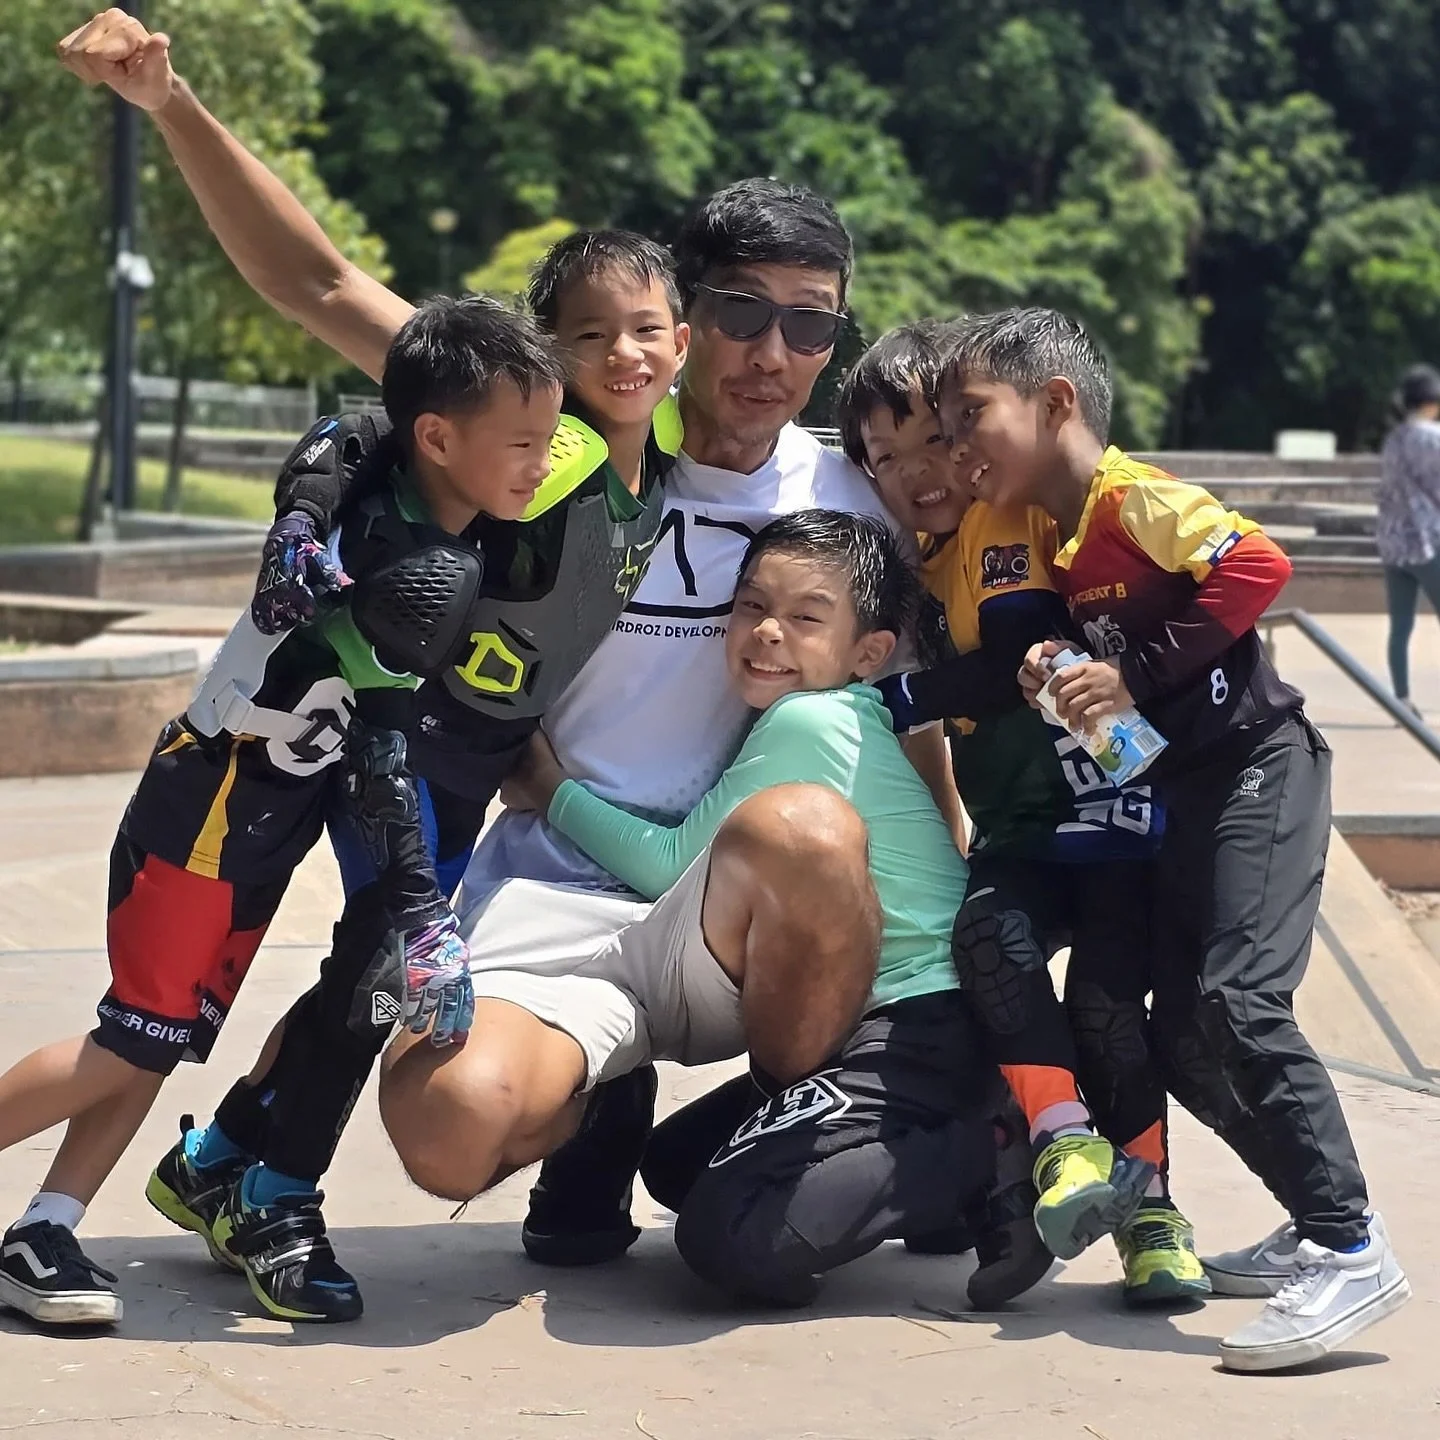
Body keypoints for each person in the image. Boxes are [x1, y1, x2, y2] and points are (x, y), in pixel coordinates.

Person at [56, 9, 964, 1289]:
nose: (774, 353)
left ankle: (764, 1144)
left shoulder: (852, 494)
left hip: (730, 891)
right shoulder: (538, 428)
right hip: (554, 884)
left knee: (810, 834)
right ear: (683, 319)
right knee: (443, 1119)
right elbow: (318, 284)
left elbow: (1005, 577)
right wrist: (171, 105)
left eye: (811, 327)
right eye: (740, 313)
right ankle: (564, 1108)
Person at [142, 227, 688, 1320]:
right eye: (589, 335)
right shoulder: (549, 448)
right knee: (385, 961)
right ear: (552, 351)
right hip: (397, 743)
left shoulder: (667, 442)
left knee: (366, 965)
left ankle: (223, 1153)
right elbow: (371, 433)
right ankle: (278, 1195)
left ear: (681, 339)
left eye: (646, 329)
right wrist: (304, 520)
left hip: (473, 764)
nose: (622, 354)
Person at [0, 296, 565, 1329]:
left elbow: (350, 436)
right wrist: (419, 906)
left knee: (153, 1033)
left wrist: (416, 908)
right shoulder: (410, 548)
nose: (543, 464)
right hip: (208, 809)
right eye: (525, 444)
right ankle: (47, 1219)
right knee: (129, 1039)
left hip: (259, 817)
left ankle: (45, 1225)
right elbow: (343, 439)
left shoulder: (422, 509)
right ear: (438, 438)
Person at [938, 305, 1411, 1372]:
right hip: (1182, 789)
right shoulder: (1052, 542)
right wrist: (1058, 677)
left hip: (1262, 766)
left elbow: (1257, 569)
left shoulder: (1129, 496)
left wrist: (1134, 673)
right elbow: (1121, 690)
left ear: (1055, 402)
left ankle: (1352, 1247)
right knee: (1179, 1035)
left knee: (1238, 1000)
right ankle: (1310, 1217)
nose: (957, 447)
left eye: (973, 415)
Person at [500, 509, 1036, 1305]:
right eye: (751, 606)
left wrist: (550, 790)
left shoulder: (808, 719)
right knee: (675, 1165)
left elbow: (673, 868)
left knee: (729, 1239)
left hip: (925, 1028)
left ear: (870, 653)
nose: (768, 632)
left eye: (805, 616)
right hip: (888, 1029)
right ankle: (943, 1175)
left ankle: (989, 1150)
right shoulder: (831, 715)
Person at [837, 323, 1208, 1305]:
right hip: (1020, 831)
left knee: (1107, 1009)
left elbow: (1015, 655)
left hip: (1118, 823)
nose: (922, 470)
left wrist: (889, 700)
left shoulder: (1009, 524)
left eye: (940, 437)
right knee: (991, 945)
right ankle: (1060, 1148)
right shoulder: (914, 565)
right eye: (887, 456)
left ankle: (1155, 1214)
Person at [1378, 364, 1440, 714]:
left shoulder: (1394, 439)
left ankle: (1401, 698)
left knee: (1401, 624)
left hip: (1393, 543)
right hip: (1428, 541)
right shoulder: (1432, 438)